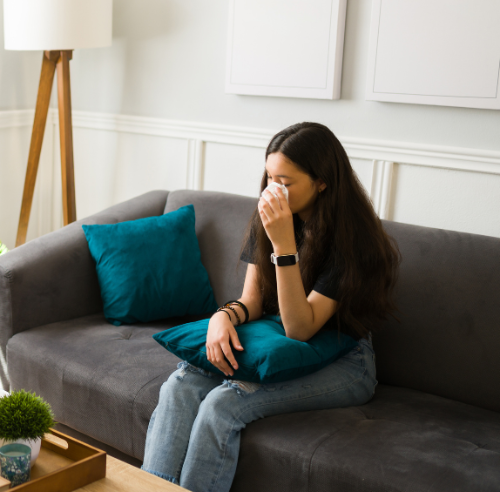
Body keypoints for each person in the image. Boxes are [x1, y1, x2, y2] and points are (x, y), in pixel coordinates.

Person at [141, 122, 401, 491]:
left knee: (222, 405)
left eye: (286, 181)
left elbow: (301, 327)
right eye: (269, 178)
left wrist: (283, 247)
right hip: (277, 341)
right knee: (180, 386)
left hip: (346, 362)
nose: (272, 190)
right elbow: (252, 301)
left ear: (322, 181)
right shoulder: (272, 215)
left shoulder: (353, 241)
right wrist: (222, 316)